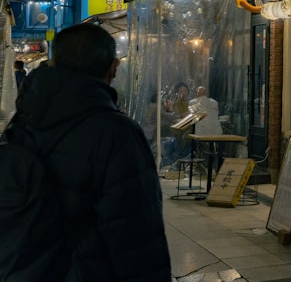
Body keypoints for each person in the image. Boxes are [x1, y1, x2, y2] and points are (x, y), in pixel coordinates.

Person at [4, 23, 172, 280]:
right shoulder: (117, 133)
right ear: (113, 68)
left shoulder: (24, 120)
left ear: (55, 62)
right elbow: (137, 237)